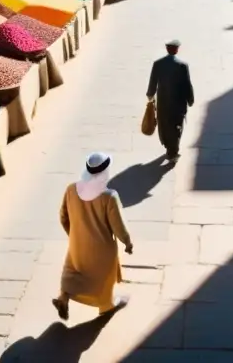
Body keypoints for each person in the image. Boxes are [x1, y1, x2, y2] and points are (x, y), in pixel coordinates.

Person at [53, 152, 133, 321]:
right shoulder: (109, 197)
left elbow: (63, 216)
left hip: (77, 245)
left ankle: (63, 298)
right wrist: (127, 242)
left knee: (72, 272)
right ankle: (106, 307)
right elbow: (118, 227)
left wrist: (74, 234)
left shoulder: (71, 190)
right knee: (104, 280)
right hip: (102, 251)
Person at [146, 39, 195, 161]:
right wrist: (190, 99)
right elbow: (187, 85)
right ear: (177, 50)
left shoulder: (158, 64)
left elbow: (153, 82)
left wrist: (150, 95)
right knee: (177, 126)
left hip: (163, 101)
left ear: (167, 49)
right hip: (178, 103)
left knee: (164, 125)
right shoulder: (182, 66)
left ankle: (169, 147)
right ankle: (173, 152)